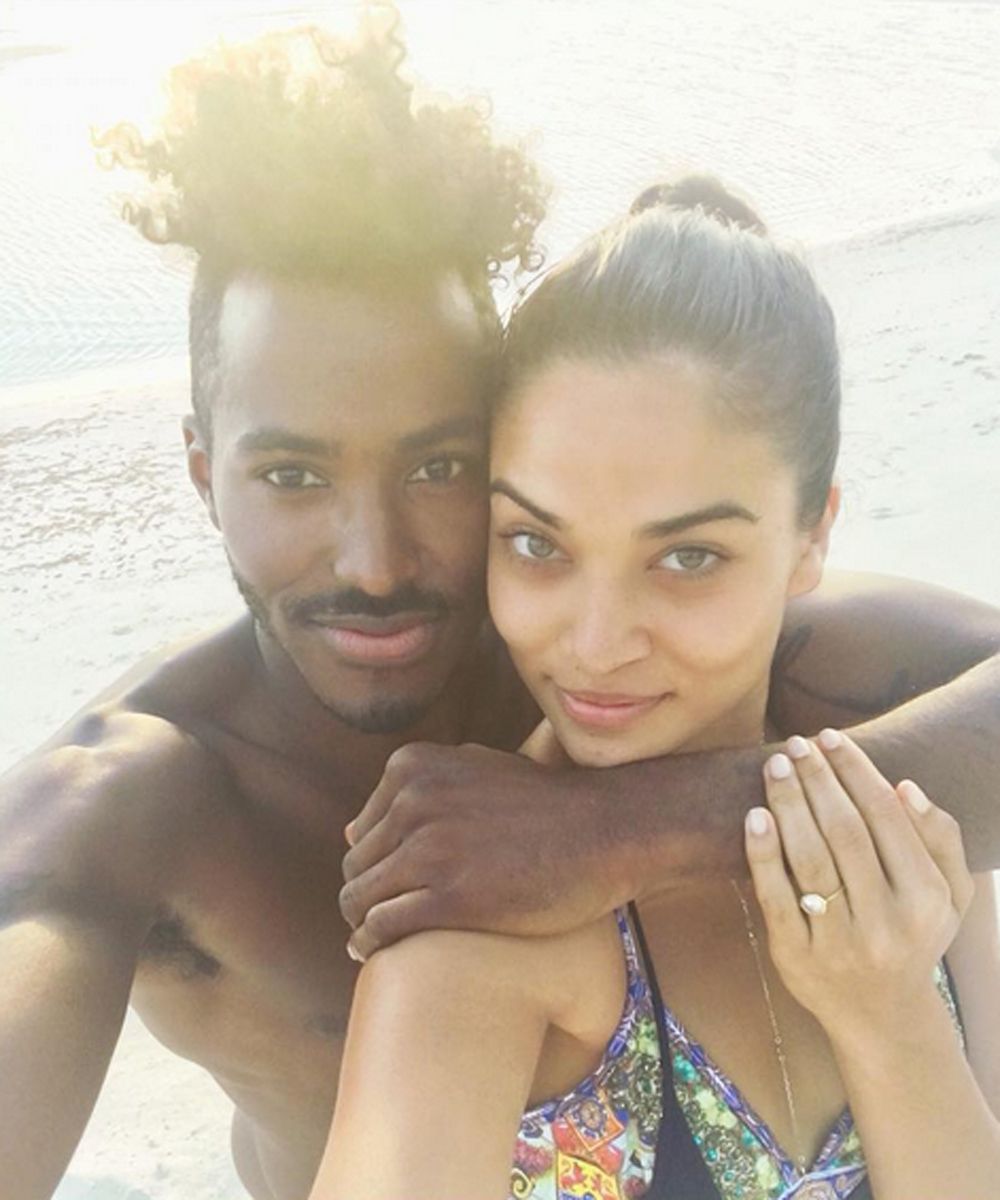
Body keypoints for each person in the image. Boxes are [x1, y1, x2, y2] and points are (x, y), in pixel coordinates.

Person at [1, 16, 999, 1200]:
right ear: (202, 471)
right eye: (292, 475)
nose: (375, 561)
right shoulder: (125, 808)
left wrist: (616, 830)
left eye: (439, 467)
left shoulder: (697, 671)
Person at [312, 181, 1000, 1200]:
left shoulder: (906, 851)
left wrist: (891, 1016)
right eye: (536, 543)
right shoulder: (472, 950)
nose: (595, 645)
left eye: (687, 558)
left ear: (811, 536)